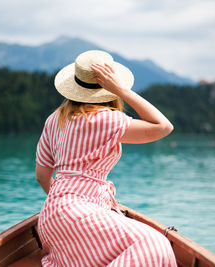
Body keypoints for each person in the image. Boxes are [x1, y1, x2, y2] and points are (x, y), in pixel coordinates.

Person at [36, 50, 176, 266]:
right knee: (156, 244)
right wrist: (122, 90)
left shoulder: (54, 119)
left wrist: (65, 205)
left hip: (50, 219)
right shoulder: (106, 118)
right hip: (79, 212)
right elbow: (163, 127)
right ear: (109, 87)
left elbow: (42, 177)